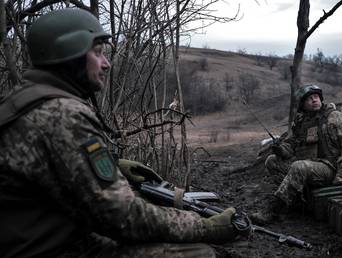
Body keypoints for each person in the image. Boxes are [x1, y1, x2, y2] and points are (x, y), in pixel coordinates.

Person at [0, 8, 248, 258]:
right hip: (48, 249)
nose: (106, 63)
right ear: (69, 55)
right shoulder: (63, 113)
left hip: (34, 239)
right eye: (97, 53)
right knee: (198, 253)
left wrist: (113, 164)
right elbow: (123, 217)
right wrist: (205, 226)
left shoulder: (21, 100)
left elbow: (53, 168)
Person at [251, 84, 342, 224]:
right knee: (272, 160)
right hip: (308, 167)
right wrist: (280, 149)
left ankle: (274, 210)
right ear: (303, 104)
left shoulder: (334, 117)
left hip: (331, 168)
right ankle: (295, 202)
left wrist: (341, 177)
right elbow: (290, 146)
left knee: (299, 166)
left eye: (316, 97)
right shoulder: (301, 122)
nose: (314, 100)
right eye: (309, 99)